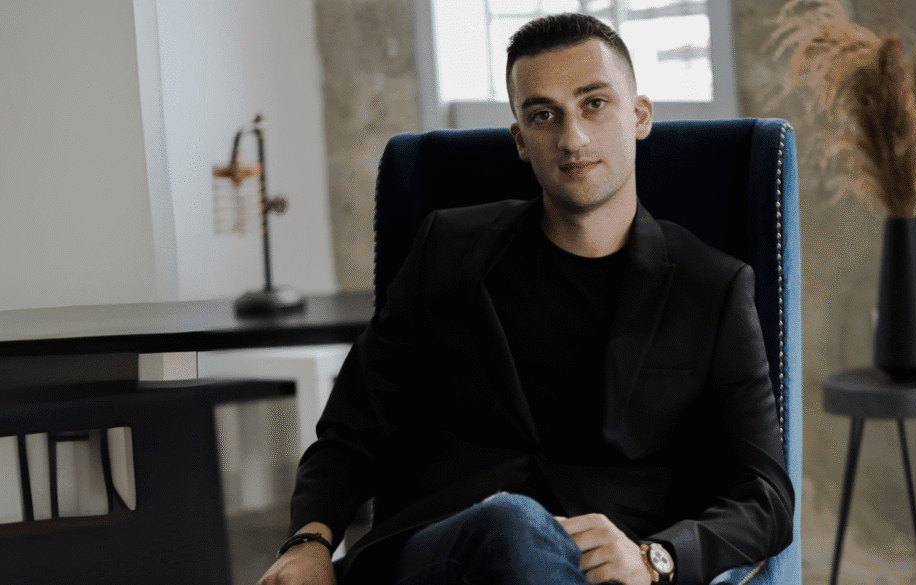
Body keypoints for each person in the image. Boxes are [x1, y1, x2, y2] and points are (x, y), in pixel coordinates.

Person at [257, 13, 793, 585]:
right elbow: (351, 430)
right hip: (444, 554)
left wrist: (657, 557)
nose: (572, 138)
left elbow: (765, 497)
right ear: (519, 138)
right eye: (543, 115)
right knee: (512, 522)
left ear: (639, 116)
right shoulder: (447, 250)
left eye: (594, 104)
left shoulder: (711, 288)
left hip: (601, 568)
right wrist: (309, 541)